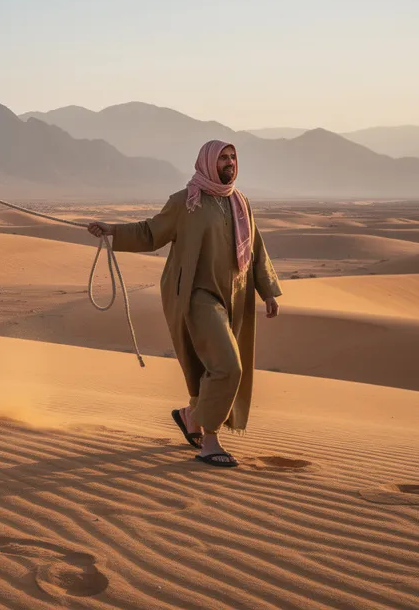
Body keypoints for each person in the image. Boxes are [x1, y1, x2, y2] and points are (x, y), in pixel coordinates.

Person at [86, 140, 281, 468]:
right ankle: (210, 441)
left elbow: (256, 248)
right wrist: (113, 231)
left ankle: (191, 415)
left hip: (233, 295)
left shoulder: (240, 202)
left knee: (211, 366)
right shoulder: (186, 202)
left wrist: (268, 291)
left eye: (233, 157)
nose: (230, 162)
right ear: (206, 163)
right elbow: (150, 233)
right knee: (228, 366)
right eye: (223, 158)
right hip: (195, 295)